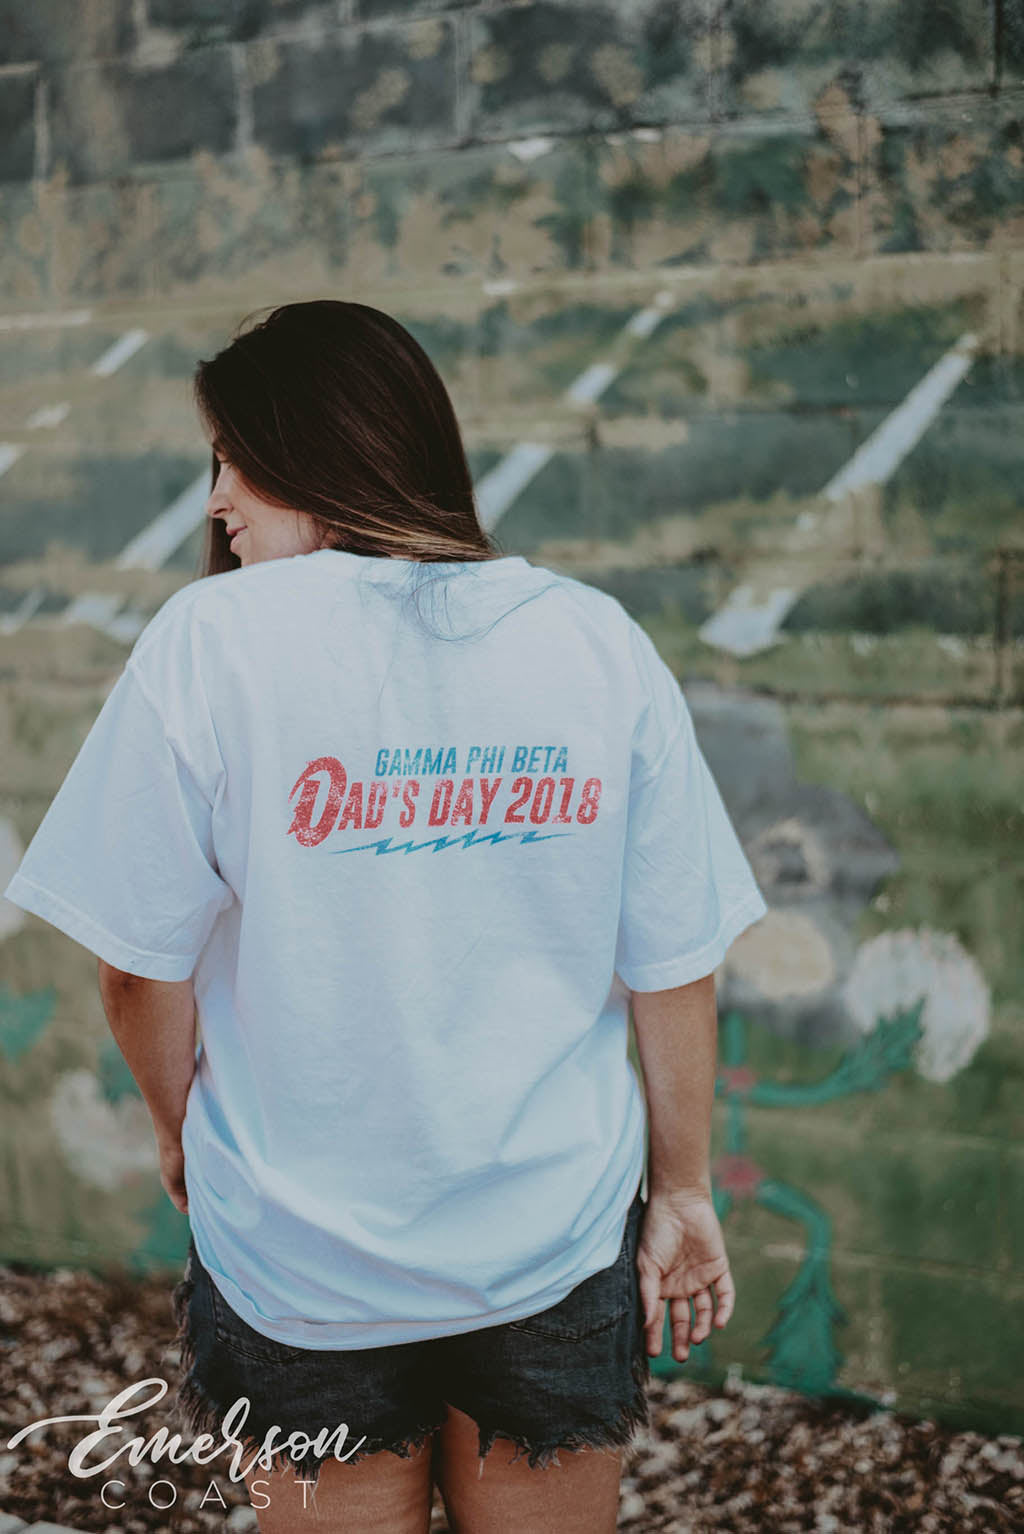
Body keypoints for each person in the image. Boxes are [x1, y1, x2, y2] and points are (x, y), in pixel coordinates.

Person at [3, 300, 768, 1534]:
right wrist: (681, 1189)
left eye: (235, 459)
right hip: (551, 1245)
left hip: (300, 1260)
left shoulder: (209, 642)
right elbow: (672, 959)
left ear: (323, 450)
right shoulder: (594, 640)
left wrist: (176, 1125)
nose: (217, 500)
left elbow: (137, 969)